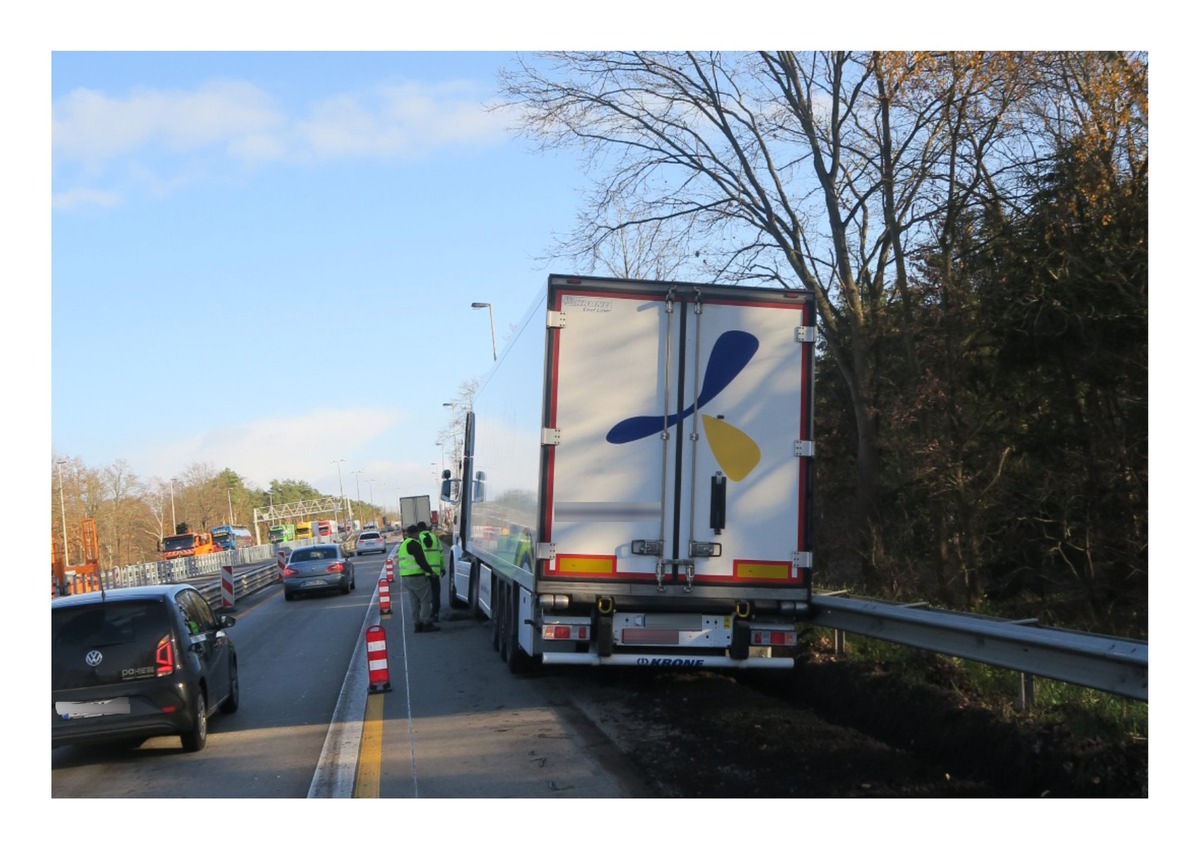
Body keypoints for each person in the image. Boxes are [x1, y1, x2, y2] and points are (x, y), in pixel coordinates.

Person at [397, 525, 439, 632]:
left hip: (405, 577)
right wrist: (430, 572)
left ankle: (417, 624)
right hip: (416, 576)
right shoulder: (415, 544)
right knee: (425, 599)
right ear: (416, 533)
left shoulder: (403, 544)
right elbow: (421, 561)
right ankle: (426, 623)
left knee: (414, 601)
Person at [417, 521, 444, 621]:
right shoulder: (435, 538)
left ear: (418, 529)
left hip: (423, 571)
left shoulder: (418, 539)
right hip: (435, 571)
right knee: (436, 592)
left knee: (424, 594)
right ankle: (435, 612)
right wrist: (443, 568)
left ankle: (426, 615)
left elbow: (416, 557)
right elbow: (441, 554)